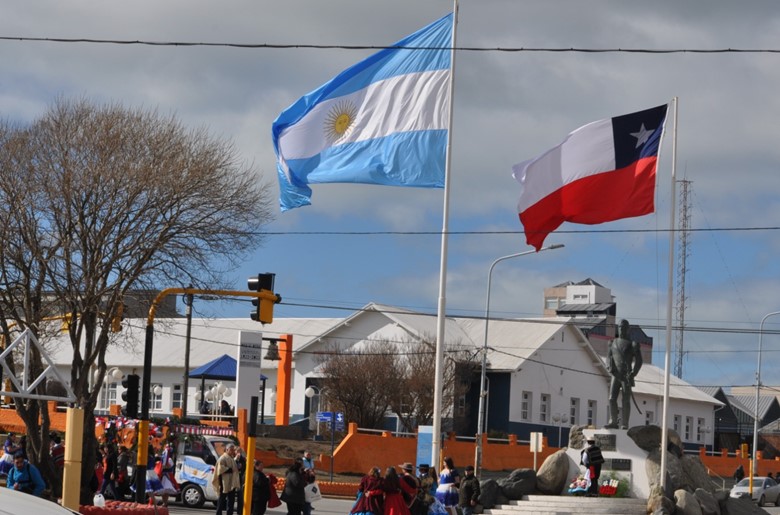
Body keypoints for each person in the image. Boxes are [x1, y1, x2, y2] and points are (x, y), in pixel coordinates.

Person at [605, 319, 643, 429]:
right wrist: (609, 367)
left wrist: (633, 373)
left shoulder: (632, 344)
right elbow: (608, 357)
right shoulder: (612, 343)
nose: (622, 329)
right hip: (615, 375)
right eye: (620, 327)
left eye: (624, 328)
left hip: (626, 376)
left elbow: (639, 361)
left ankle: (625, 423)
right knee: (612, 398)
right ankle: (613, 421)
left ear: (628, 329)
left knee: (625, 400)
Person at [213, 443, 241, 515]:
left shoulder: (231, 458)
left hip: (231, 482)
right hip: (224, 482)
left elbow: (234, 467)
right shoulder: (222, 458)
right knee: (222, 499)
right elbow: (220, 469)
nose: (232, 451)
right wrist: (231, 469)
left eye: (233, 450)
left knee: (231, 501)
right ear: (227, 449)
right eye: (231, 450)